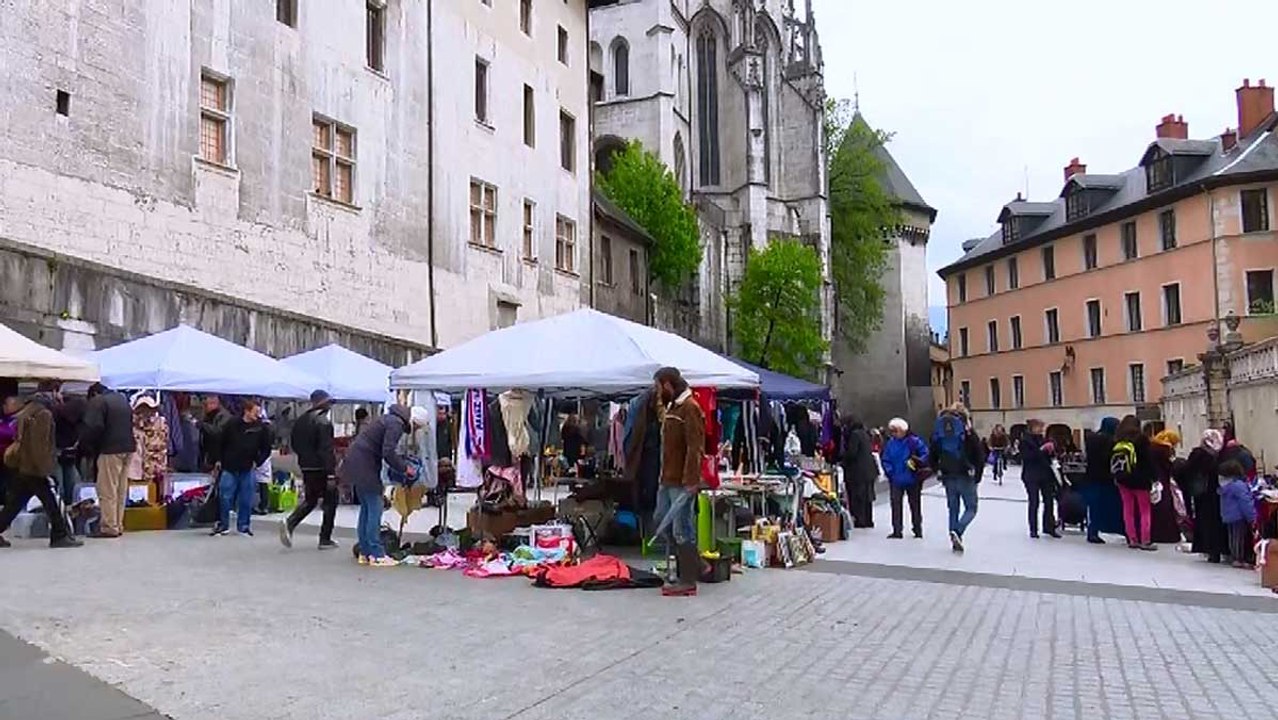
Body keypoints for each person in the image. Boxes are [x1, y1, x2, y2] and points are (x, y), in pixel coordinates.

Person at [339, 404, 425, 567]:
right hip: (365, 465)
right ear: (414, 421)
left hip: (356, 462)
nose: (416, 430)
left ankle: (364, 552)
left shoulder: (389, 419)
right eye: (418, 426)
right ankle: (376, 554)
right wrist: (404, 468)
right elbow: (388, 451)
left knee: (366, 508)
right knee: (375, 506)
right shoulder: (396, 424)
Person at [0, 388, 82, 548]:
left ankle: (60, 534)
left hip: (24, 466)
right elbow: (40, 445)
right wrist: (45, 469)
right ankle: (59, 535)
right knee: (50, 502)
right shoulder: (43, 415)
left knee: (14, 504)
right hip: (35, 468)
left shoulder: (26, 413)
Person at [652, 367, 706, 597]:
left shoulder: (690, 408)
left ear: (667, 384)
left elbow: (696, 447)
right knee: (661, 521)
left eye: (658, 387)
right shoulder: (674, 406)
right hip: (668, 478)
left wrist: (692, 479)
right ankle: (698, 564)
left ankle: (688, 579)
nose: (657, 392)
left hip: (682, 481)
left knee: (682, 528)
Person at [280, 390, 340, 550]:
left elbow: (295, 443)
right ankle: (325, 538)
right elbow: (326, 450)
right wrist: (331, 473)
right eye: (329, 403)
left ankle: (291, 522)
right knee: (331, 501)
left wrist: (305, 459)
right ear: (323, 403)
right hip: (321, 467)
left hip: (306, 465)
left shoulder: (300, 421)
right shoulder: (324, 423)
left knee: (311, 499)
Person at [79, 383, 137, 538]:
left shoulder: (99, 401)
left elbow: (93, 427)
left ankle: (108, 527)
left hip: (110, 448)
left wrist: (86, 446)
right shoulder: (122, 399)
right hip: (129, 448)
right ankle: (118, 524)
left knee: (107, 489)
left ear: (94, 394)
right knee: (120, 489)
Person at [209, 399, 273, 537]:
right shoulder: (232, 424)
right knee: (224, 497)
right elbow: (220, 442)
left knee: (246, 499)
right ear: (247, 411)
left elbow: (266, 448)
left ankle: (243, 526)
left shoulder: (261, 428)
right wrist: (219, 460)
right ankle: (223, 525)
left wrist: (259, 462)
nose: (258, 415)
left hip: (248, 467)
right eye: (255, 412)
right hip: (229, 466)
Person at [931, 404, 983, 552]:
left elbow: (932, 454)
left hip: (948, 475)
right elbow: (979, 455)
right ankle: (958, 531)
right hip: (966, 474)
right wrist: (977, 476)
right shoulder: (968, 433)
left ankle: (953, 535)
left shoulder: (939, 431)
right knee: (971, 508)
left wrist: (938, 470)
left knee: (953, 508)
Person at [1112, 415, 1156, 550]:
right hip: (1141, 480)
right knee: (1144, 511)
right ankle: (1145, 540)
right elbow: (1149, 461)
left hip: (1123, 479)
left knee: (1128, 510)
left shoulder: (1118, 439)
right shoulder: (1142, 440)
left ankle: (1132, 539)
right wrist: (1154, 477)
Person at [1182, 429, 1226, 563]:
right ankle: (1216, 550)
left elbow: (1187, 472)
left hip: (1201, 493)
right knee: (1215, 522)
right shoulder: (1219, 456)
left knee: (1204, 521)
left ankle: (1208, 549)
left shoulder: (1197, 454)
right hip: (1215, 493)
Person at [880, 417, 928, 540]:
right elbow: (886, 459)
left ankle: (917, 528)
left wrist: (918, 462)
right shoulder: (891, 443)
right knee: (897, 505)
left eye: (896, 431)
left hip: (912, 477)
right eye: (893, 431)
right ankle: (897, 529)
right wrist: (890, 472)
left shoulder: (914, 442)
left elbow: (925, 455)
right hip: (898, 478)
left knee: (914, 505)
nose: (894, 434)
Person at [1079, 417, 1124, 544]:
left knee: (1094, 507)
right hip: (1106, 478)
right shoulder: (1111, 441)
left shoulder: (1091, 439)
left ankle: (1092, 532)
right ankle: (1116, 528)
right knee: (1110, 504)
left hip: (1091, 476)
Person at [1019, 419, 1059, 539]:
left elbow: (1049, 457)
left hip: (1046, 474)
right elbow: (1027, 457)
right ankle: (1033, 529)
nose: (1041, 429)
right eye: (1039, 427)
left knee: (1049, 501)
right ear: (1031, 428)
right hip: (1031, 475)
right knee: (1034, 501)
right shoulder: (1025, 441)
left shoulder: (1043, 439)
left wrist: (1051, 450)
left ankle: (1049, 527)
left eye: (1042, 427)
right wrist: (1042, 450)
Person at [839, 414, 878, 529]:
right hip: (870, 469)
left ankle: (860, 520)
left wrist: (842, 459)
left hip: (858, 471)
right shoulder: (865, 433)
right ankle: (868, 520)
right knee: (868, 496)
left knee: (858, 496)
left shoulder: (854, 435)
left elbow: (852, 453)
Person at [129, 395, 169, 500]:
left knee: (154, 498)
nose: (145, 412)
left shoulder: (160, 424)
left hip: (155, 470)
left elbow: (163, 446)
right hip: (135, 470)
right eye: (141, 408)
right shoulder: (131, 425)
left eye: (148, 408)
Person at [1218, 459, 1256, 568]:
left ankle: (1235, 556)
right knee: (1239, 538)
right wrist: (1252, 516)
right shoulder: (1238, 486)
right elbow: (1245, 502)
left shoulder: (1225, 486)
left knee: (1233, 537)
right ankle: (1238, 558)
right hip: (1238, 516)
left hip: (1228, 515)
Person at [1148, 430, 1184, 544]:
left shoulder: (1152, 446)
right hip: (1163, 481)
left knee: (1156, 507)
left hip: (1154, 481)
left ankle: (1154, 533)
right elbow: (1168, 467)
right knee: (1166, 507)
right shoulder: (1165, 449)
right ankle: (1168, 535)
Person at [52, 389, 85, 505]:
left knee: (58, 484)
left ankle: (60, 508)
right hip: (71, 450)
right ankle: (72, 506)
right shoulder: (82, 411)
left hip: (57, 449)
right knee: (73, 483)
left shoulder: (55, 411)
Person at [197, 396, 232, 472]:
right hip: (208, 453)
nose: (205, 407)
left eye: (206, 405)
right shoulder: (209, 415)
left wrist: (203, 425)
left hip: (218, 455)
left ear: (214, 404)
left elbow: (218, 432)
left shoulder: (224, 416)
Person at [0, 395, 21, 504]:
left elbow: (10, 434)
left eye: (7, 404)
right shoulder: (3, 419)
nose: (4, 407)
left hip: (12, 460)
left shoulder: (18, 420)